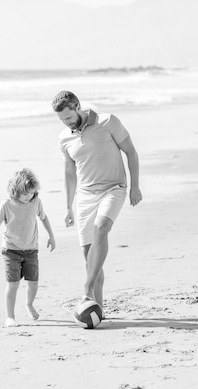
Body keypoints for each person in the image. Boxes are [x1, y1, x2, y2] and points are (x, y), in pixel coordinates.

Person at [52, 91, 142, 318]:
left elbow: (131, 152)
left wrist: (135, 186)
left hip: (113, 189)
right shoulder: (64, 138)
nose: (67, 123)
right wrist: (68, 207)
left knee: (102, 227)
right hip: (85, 197)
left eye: (68, 117)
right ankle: (97, 310)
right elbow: (69, 172)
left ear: (77, 106)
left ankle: (86, 290)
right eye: (62, 120)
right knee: (88, 255)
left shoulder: (107, 121)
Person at [0, 168, 56, 327]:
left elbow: (43, 218)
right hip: (11, 251)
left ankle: (29, 304)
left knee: (33, 282)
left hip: (31, 250)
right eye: (26, 194)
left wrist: (51, 235)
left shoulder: (35, 202)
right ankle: (10, 316)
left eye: (32, 193)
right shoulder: (7, 205)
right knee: (13, 284)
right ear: (16, 191)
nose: (29, 196)